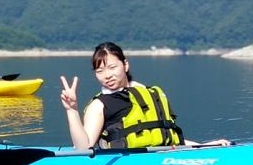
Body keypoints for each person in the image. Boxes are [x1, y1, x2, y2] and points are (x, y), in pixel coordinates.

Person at [60, 41, 230, 151]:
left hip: (163, 157)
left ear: (125, 65)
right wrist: (72, 110)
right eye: (100, 71)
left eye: (112, 67)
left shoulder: (150, 94)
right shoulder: (100, 105)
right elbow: (83, 148)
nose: (107, 75)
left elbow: (167, 136)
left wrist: (205, 146)